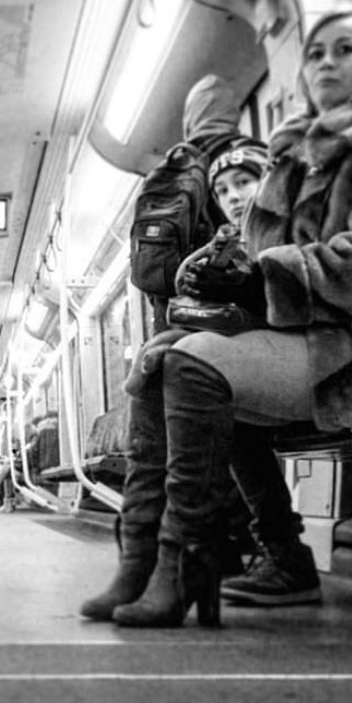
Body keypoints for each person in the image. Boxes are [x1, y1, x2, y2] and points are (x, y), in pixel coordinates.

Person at [93, 6, 352, 629]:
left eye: (343, 50)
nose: (324, 62)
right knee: (164, 358)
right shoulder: (294, 152)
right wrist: (231, 282)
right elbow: (265, 264)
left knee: (196, 368)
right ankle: (153, 559)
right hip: (306, 335)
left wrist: (262, 277)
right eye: (316, 53)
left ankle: (188, 561)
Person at [80, 115, 269, 622]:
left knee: (181, 363)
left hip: (287, 353)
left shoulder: (278, 229)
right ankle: (139, 560)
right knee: (154, 371)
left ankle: (180, 559)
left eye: (245, 183)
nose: (233, 195)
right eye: (223, 187)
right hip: (246, 349)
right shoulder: (229, 237)